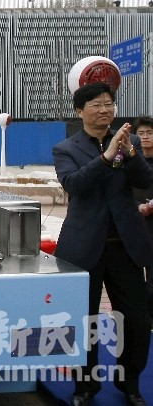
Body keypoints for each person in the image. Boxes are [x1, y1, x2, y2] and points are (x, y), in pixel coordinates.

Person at [52, 82, 153, 406]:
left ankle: (130, 384)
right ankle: (84, 387)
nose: (105, 110)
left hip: (125, 245)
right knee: (85, 320)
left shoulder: (130, 140)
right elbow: (75, 184)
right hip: (84, 248)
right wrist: (108, 157)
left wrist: (132, 154)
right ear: (80, 111)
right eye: (96, 104)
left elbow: (143, 179)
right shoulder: (65, 149)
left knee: (136, 319)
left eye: (109, 104)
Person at [133, 117, 153, 323]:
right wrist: (136, 206)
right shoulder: (129, 159)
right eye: (141, 134)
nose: (145, 137)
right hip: (136, 223)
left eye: (150, 133)